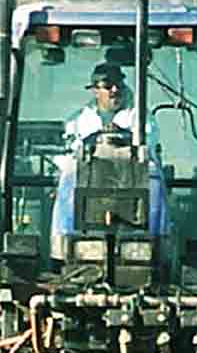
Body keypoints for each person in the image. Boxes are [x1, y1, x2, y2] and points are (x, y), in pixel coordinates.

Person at [51, 62, 169, 254]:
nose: (114, 90)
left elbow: (148, 144)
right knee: (68, 178)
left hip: (132, 175)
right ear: (95, 91)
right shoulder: (78, 120)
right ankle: (65, 244)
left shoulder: (141, 117)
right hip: (91, 176)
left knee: (154, 178)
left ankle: (154, 243)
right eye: (108, 86)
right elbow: (69, 151)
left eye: (118, 85)